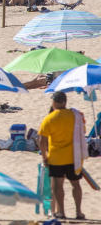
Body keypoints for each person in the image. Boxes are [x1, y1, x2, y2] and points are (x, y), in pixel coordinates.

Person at [39, 91, 86, 220]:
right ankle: (79, 212)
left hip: (56, 158)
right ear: (65, 102)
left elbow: (42, 141)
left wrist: (44, 156)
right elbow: (83, 131)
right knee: (76, 184)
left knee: (58, 186)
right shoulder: (74, 116)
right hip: (73, 157)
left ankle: (61, 212)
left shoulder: (49, 118)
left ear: (54, 102)